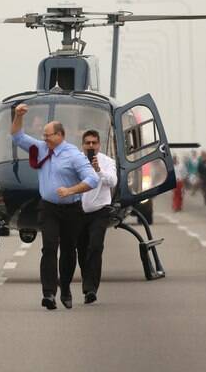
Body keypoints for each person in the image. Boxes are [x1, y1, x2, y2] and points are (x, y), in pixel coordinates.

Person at [10, 103, 98, 310]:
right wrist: (17, 116)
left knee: (68, 251)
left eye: (48, 135)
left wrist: (71, 190)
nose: (44, 138)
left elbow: (92, 179)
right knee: (49, 248)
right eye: (43, 135)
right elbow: (17, 136)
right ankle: (49, 293)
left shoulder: (74, 155)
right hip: (48, 207)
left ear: (60, 135)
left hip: (71, 210)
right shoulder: (41, 149)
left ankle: (65, 287)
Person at [72, 130, 117, 304]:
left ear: (99, 144)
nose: (91, 146)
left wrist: (98, 170)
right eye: (87, 143)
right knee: (82, 250)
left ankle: (91, 289)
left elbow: (113, 181)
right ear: (82, 145)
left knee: (95, 246)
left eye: (94, 143)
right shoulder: (76, 161)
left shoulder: (107, 162)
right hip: (79, 211)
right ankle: (87, 279)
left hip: (100, 210)